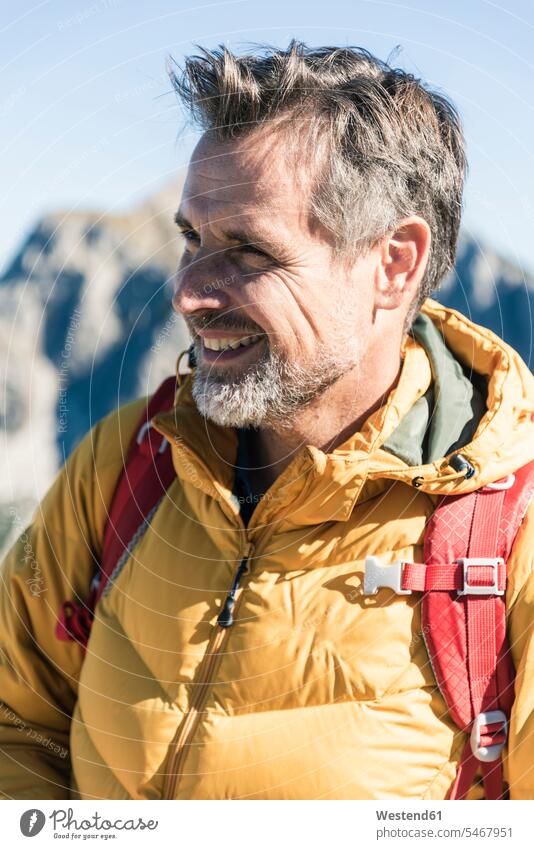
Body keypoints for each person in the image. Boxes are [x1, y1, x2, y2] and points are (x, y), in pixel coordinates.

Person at [1, 41, 533, 801]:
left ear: (393, 264)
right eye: (191, 238)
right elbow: (16, 721)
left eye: (247, 251)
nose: (188, 291)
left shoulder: (511, 525)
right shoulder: (130, 459)